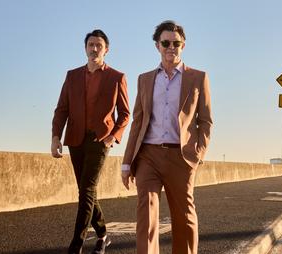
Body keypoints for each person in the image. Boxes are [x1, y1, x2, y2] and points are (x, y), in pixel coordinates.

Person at [122, 20, 212, 254]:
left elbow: (205, 121)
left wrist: (198, 153)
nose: (171, 47)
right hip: (148, 156)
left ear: (183, 45)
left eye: (176, 43)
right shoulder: (145, 79)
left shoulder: (198, 78)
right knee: (146, 215)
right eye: (165, 43)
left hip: (180, 156)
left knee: (184, 217)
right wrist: (127, 162)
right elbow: (138, 122)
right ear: (157, 46)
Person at [52, 29, 130, 254]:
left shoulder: (117, 77)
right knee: (87, 191)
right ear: (85, 48)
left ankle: (75, 246)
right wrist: (56, 136)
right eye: (91, 45)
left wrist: (111, 137)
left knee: (86, 190)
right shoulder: (72, 75)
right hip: (75, 139)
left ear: (106, 50)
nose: (94, 48)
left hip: (100, 140)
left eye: (99, 45)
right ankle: (103, 234)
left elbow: (125, 113)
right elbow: (62, 109)